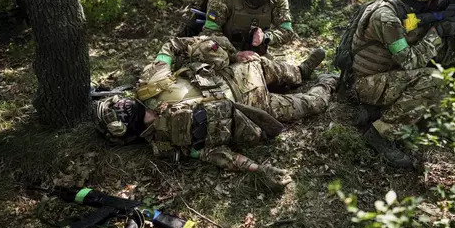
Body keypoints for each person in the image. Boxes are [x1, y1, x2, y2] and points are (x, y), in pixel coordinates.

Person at [94, 35, 335, 189]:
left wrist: (228, 55)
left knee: (287, 73)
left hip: (239, 74)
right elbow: (215, 155)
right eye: (117, 113)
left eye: (116, 105)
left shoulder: (151, 82)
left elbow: (171, 45)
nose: (122, 108)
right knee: (311, 104)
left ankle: (302, 71)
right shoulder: (167, 142)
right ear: (124, 131)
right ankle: (328, 83)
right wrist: (259, 169)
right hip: (255, 110)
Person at [348, 0, 455, 168]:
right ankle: (379, 135)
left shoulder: (404, 12)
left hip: (381, 79)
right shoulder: (387, 18)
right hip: (365, 84)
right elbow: (410, 62)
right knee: (434, 79)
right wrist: (437, 33)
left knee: (442, 87)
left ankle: (375, 111)